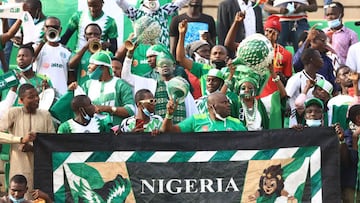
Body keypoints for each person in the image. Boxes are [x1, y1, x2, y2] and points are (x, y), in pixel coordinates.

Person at [0, 84, 55, 200]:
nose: (36, 99)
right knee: (17, 197)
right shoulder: (13, 113)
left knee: (39, 198)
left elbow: (52, 142)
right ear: (20, 100)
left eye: (37, 95)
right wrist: (20, 139)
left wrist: (33, 148)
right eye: (31, 97)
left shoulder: (45, 115)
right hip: (19, 166)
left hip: (41, 168)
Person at [121, 45, 198, 124]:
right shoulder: (149, 83)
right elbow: (125, 76)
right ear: (157, 69)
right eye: (161, 64)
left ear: (174, 66)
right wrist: (129, 54)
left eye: (167, 63)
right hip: (157, 132)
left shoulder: (181, 88)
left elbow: (193, 113)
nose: (165, 66)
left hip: (180, 133)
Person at [70, 50, 135, 129]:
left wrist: (108, 109)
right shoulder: (87, 85)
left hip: (116, 133)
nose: (88, 66)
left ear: (102, 67)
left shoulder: (120, 84)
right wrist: (70, 90)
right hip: (95, 132)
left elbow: (130, 110)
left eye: (92, 64)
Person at [177, 20, 229, 96]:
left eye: (221, 53)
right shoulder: (203, 69)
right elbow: (181, 59)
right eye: (215, 53)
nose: (217, 55)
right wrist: (182, 34)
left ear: (226, 57)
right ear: (210, 57)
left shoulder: (231, 71)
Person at [116, 0, 190, 47]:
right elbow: (119, 2)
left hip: (162, 53)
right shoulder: (136, 14)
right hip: (144, 55)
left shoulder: (163, 11)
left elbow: (181, 2)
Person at [161, 92, 247, 132]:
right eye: (224, 102)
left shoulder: (236, 123)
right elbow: (168, 131)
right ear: (211, 106)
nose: (228, 105)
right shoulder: (196, 120)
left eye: (228, 102)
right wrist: (169, 114)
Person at [286, 48, 325, 127]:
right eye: (319, 57)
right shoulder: (296, 78)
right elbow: (286, 100)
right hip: (297, 124)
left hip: (316, 123)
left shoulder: (321, 78)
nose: (322, 60)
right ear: (312, 60)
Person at [33, 16, 71, 97]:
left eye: (55, 27)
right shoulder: (37, 47)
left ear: (60, 30)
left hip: (61, 94)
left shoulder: (67, 51)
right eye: (48, 27)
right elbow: (31, 60)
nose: (51, 29)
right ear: (44, 28)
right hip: (42, 93)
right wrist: (43, 41)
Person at [292, 27, 336, 91]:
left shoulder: (327, 60)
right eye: (323, 41)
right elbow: (295, 64)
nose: (325, 44)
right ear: (312, 41)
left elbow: (332, 82)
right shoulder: (306, 57)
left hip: (322, 95)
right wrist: (308, 40)